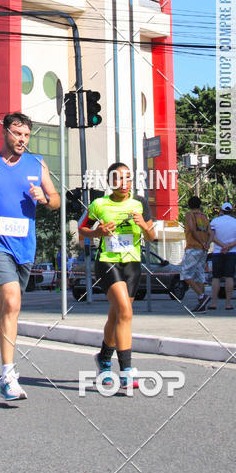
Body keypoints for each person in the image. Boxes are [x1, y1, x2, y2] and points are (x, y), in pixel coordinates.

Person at [0, 112, 60, 402]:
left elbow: (55, 200)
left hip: (24, 247)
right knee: (13, 301)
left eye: (27, 135)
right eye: (18, 134)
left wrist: (44, 199)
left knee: (6, 309)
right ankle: (8, 375)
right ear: (5, 133)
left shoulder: (36, 162)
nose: (22, 140)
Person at [78, 163, 155, 392]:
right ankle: (127, 371)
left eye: (128, 178)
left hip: (132, 263)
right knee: (125, 311)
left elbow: (152, 237)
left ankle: (103, 359)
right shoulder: (98, 204)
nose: (124, 183)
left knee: (117, 315)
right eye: (119, 179)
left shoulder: (140, 203)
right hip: (107, 262)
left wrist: (143, 226)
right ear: (110, 182)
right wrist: (97, 232)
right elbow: (82, 230)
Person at [207, 203, 236, 311]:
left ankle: (214, 303)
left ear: (221, 211)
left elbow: (212, 236)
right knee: (229, 277)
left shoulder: (215, 221)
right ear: (232, 211)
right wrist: (229, 246)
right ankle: (228, 304)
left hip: (218, 252)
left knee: (216, 277)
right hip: (231, 252)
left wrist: (223, 246)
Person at [179, 196, 211, 312]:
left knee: (185, 273)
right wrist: (206, 244)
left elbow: (192, 229)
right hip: (203, 250)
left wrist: (201, 242)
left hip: (193, 247)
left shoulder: (189, 215)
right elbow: (211, 233)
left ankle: (202, 296)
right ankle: (202, 305)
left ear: (189, 204)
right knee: (199, 275)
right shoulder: (204, 217)